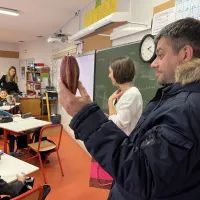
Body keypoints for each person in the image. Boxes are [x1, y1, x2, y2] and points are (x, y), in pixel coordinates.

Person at [59, 17, 200, 200]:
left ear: (185, 54)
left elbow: (143, 177)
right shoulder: (178, 100)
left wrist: (85, 117)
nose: (153, 63)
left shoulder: (186, 108)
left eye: (160, 54)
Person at [108, 57, 142, 135]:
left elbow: (118, 125)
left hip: (125, 143)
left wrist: (110, 102)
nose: (109, 76)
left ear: (118, 73)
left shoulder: (132, 94)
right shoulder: (120, 92)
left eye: (110, 72)